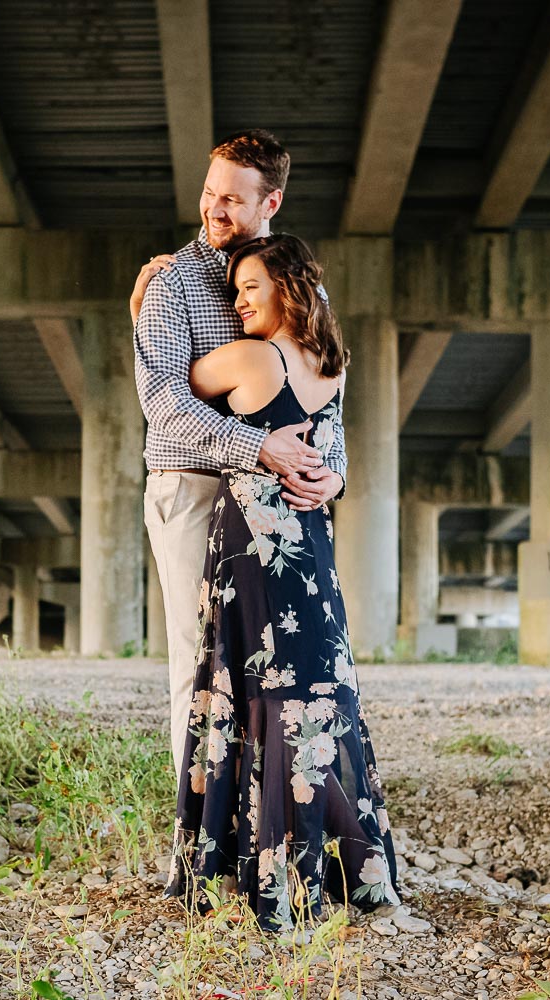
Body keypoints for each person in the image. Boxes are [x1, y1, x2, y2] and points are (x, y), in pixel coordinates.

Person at [166, 234, 399, 932]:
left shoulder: (249, 357)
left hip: (253, 552)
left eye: (250, 289)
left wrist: (150, 298)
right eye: (233, 290)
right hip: (313, 549)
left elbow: (179, 386)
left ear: (288, 290)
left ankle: (261, 875)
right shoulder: (334, 365)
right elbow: (331, 456)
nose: (236, 302)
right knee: (316, 699)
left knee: (255, 698)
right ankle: (342, 868)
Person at [133, 130, 348, 780]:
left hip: (277, 507)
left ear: (271, 201)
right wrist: (259, 445)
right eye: (209, 194)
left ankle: (260, 823)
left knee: (276, 663)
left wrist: (332, 475)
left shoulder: (305, 290)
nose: (214, 210)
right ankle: (199, 832)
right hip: (194, 486)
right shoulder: (170, 283)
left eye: (232, 199)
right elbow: (164, 399)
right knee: (200, 663)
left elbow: (331, 398)